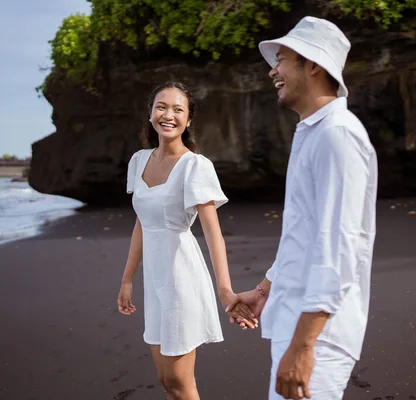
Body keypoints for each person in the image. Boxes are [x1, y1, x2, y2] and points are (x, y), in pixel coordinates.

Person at [228, 16, 379, 400]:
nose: (272, 71)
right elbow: (304, 236)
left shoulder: (337, 135)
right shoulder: (314, 131)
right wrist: (264, 290)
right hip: (295, 320)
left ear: (312, 64)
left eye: (281, 59)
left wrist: (305, 345)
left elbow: (340, 248)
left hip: (319, 334)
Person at [117, 81, 257, 400]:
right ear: (151, 113)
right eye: (161, 107)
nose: (169, 115)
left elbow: (212, 233)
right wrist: (127, 280)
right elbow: (143, 222)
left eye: (178, 109)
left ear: (188, 120)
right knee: (166, 381)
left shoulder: (195, 166)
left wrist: (225, 291)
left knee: (181, 383)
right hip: (154, 282)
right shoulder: (139, 161)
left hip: (182, 280)